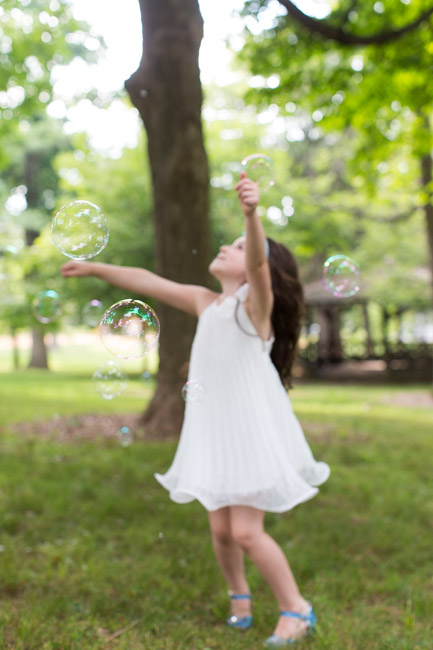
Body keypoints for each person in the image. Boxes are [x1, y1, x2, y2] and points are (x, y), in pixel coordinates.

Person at [61, 172, 330, 647]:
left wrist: (251, 215)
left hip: (248, 439)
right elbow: (148, 280)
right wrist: (98, 269)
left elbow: (261, 267)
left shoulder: (255, 314)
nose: (227, 249)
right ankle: (239, 595)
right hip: (214, 434)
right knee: (220, 528)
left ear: (250, 268)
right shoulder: (208, 304)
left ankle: (297, 609)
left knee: (246, 532)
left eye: (237, 248)